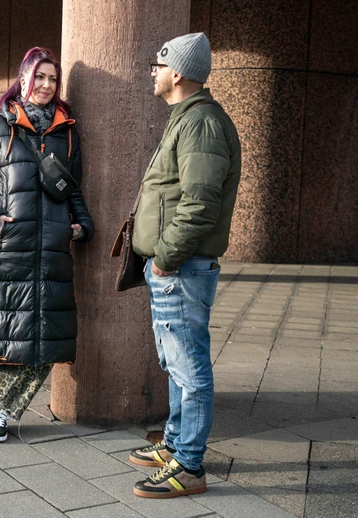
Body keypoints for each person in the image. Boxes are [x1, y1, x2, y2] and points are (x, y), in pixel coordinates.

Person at [0, 47, 95, 443]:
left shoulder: (67, 132)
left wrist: (82, 225)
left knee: (48, 341)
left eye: (54, 79)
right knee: (8, 336)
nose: (47, 86)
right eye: (41, 78)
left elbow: (73, 190)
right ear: (24, 80)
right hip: (6, 252)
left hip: (52, 250)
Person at [127, 33, 241, 498]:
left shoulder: (202, 123)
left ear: (177, 73)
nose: (152, 72)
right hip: (176, 266)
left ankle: (189, 466)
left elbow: (199, 204)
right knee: (176, 363)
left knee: (189, 366)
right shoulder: (188, 118)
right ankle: (176, 445)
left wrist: (167, 259)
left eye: (158, 65)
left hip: (183, 267)